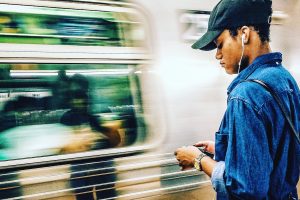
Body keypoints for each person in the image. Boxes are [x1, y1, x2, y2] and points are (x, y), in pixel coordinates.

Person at [174, 0, 300, 199]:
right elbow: (277, 148)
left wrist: (197, 159)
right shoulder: (285, 79)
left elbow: (246, 189)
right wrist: (226, 147)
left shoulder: (245, 95)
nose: (217, 55)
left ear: (244, 34)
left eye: (220, 44)